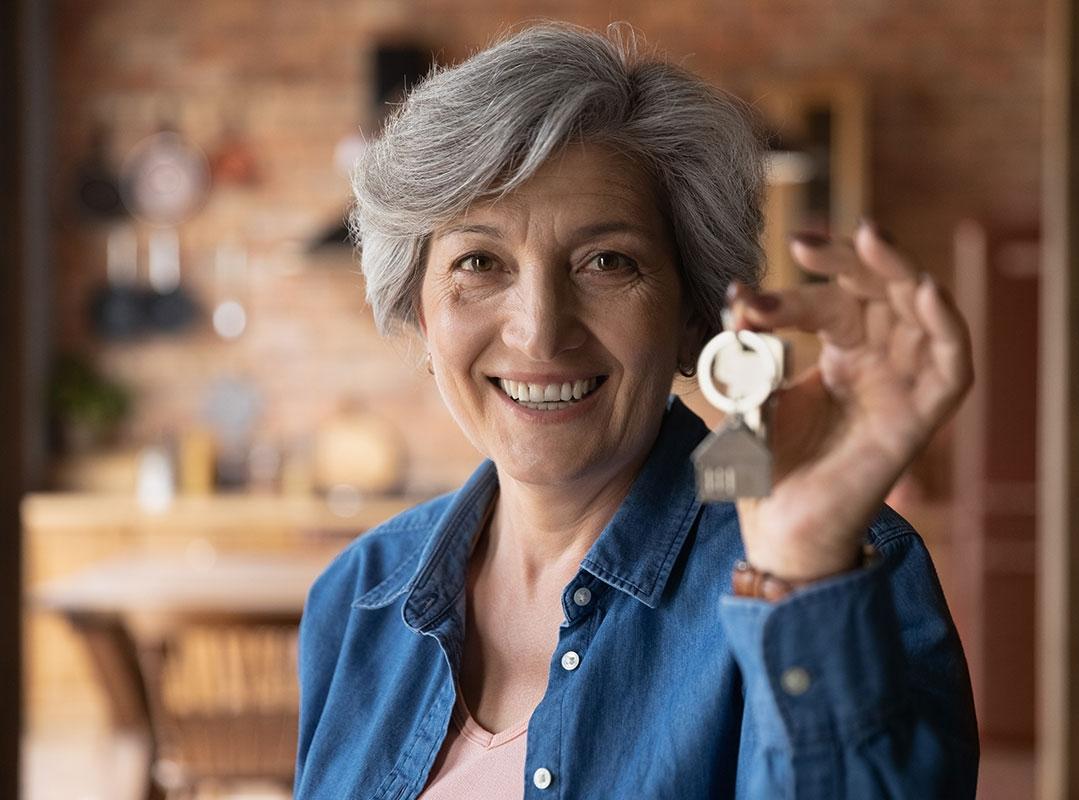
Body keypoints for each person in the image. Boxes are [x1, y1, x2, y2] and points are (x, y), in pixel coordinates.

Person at [294, 21, 979, 800]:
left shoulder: (838, 575)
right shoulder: (356, 598)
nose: (540, 330)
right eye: (478, 262)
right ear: (420, 315)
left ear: (693, 315)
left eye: (606, 262)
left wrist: (805, 568)